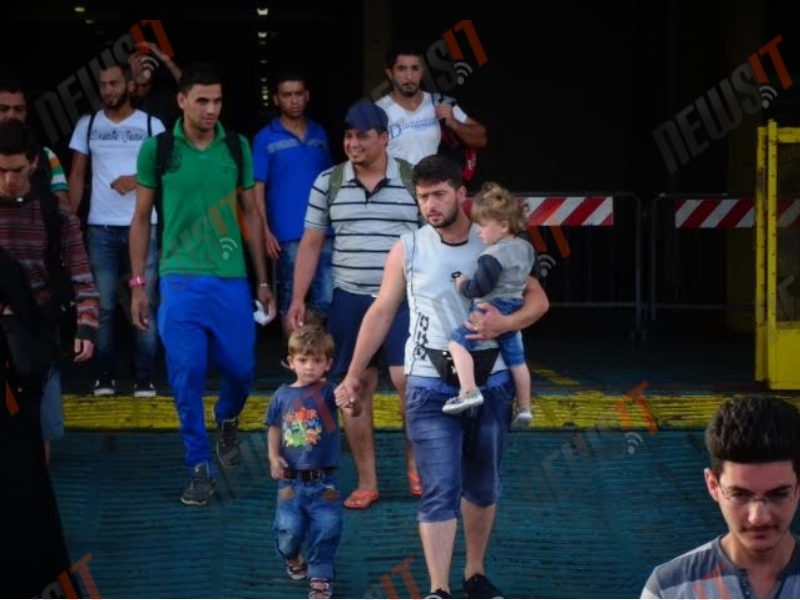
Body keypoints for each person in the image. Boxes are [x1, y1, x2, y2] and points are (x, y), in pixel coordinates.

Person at [335, 154, 549, 598]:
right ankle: (438, 589)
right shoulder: (408, 247)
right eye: (422, 197)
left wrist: (505, 324)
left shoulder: (494, 239)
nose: (430, 205)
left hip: (492, 381)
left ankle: (474, 574)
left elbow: (538, 300)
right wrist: (353, 374)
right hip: (429, 384)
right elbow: (382, 311)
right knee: (439, 488)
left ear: (461, 194)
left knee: (483, 486)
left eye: (439, 194)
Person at [129, 63, 275, 506]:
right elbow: (140, 218)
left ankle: (227, 417)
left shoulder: (236, 145)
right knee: (187, 372)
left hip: (231, 280)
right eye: (202, 101)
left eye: (217, 101)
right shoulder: (157, 149)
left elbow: (251, 214)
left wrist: (263, 281)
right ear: (181, 101)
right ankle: (199, 465)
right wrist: (138, 284)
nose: (211, 109)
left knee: (242, 370)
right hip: (179, 279)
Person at [287, 100, 422, 508]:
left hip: (403, 299)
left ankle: (417, 467)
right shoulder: (327, 182)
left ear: (384, 139)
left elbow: (435, 238)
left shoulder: (412, 180)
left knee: (409, 381)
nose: (353, 143)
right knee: (355, 387)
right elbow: (311, 243)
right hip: (349, 298)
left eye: (362, 136)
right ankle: (367, 482)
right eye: (348, 136)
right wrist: (298, 298)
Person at [0, 120, 99, 464]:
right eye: (0, 170)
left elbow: (82, 273)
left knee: (37, 435)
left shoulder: (55, 214)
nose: (8, 180)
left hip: (38, 333)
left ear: (33, 164)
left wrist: (87, 325)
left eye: (16, 170)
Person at [67, 59, 164, 398]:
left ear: (129, 85)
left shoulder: (151, 124)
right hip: (100, 228)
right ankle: (104, 376)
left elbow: (167, 170)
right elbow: (76, 176)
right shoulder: (88, 124)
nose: (108, 90)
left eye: (114, 83)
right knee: (104, 305)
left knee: (145, 302)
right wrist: (70, 222)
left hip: (144, 225)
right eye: (103, 85)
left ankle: (144, 377)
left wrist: (137, 179)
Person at [641, 396, 800, 599]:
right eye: (740, 495)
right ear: (713, 486)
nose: (758, 518)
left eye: (778, 494)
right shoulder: (669, 589)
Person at [265, 324, 359, 600]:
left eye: (317, 361)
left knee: (327, 529)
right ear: (291, 361)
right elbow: (274, 427)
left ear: (328, 364)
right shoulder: (281, 395)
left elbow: (352, 411)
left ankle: (321, 577)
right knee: (288, 530)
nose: (309, 367)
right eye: (303, 360)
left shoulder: (329, 392)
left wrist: (350, 403)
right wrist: (273, 456)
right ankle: (292, 557)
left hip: (324, 482)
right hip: (290, 481)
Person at [444, 182, 534, 427]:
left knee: (457, 343)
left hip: (489, 309)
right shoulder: (526, 248)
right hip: (515, 306)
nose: (477, 231)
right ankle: (525, 407)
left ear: (503, 225)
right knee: (517, 360)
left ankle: (468, 391)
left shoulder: (491, 256)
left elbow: (480, 288)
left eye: (482, 226)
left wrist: (462, 284)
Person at [252, 69, 333, 338]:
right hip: (287, 233)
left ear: (307, 96)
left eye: (298, 94)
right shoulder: (264, 137)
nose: (294, 100)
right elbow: (256, 189)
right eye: (287, 95)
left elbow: (331, 181)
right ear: (276, 99)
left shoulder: (320, 133)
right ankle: (296, 356)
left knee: (327, 295)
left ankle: (308, 350)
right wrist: (265, 231)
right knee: (290, 299)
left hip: (324, 229)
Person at [376, 44, 487, 168]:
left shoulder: (439, 102)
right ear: (390, 73)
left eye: (415, 68)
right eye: (402, 69)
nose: (409, 76)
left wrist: (454, 123)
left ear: (422, 71)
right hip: (395, 180)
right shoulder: (377, 111)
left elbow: (481, 139)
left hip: (436, 179)